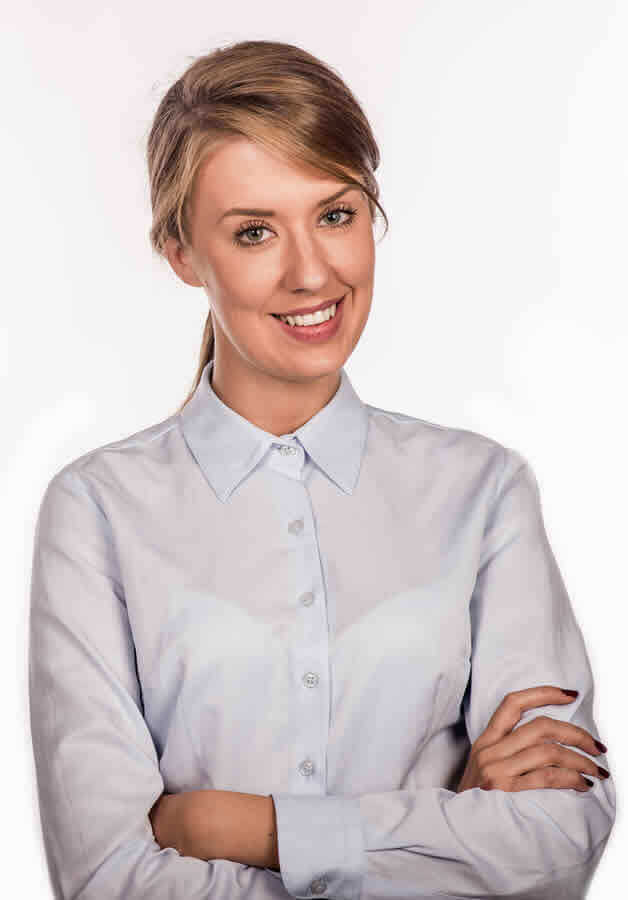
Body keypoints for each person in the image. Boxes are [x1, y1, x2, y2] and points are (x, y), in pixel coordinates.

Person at [28, 39, 615, 900]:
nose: (312, 273)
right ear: (183, 253)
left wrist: (242, 827)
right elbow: (108, 877)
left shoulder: (484, 492)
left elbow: (557, 841)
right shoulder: (98, 511)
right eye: (255, 232)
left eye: (335, 215)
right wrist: (449, 828)